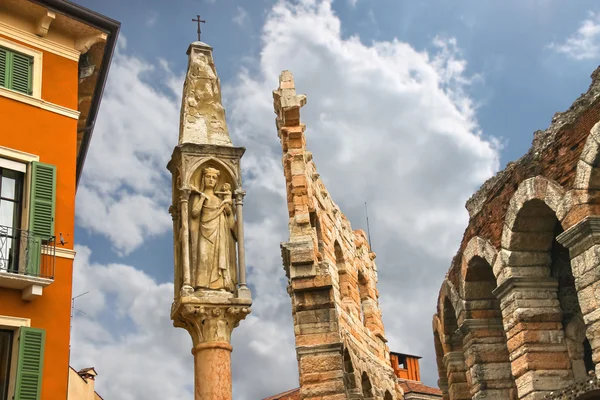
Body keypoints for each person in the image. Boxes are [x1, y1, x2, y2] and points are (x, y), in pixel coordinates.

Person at [189, 167, 237, 292]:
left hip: (219, 232)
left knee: (219, 258)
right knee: (204, 257)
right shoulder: (199, 196)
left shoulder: (218, 199)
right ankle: (201, 286)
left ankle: (220, 285)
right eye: (208, 177)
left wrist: (228, 205)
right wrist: (202, 198)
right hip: (204, 233)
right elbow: (194, 213)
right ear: (203, 178)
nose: (211, 180)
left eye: (214, 178)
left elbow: (230, 219)